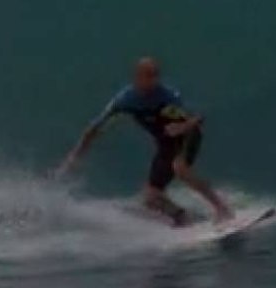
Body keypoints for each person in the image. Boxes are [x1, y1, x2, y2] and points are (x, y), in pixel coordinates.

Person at [56, 57, 234, 225]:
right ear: (137, 77)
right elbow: (94, 129)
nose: (153, 81)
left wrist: (182, 127)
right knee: (151, 197)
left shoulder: (167, 96)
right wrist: (74, 157)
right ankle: (182, 218)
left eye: (156, 76)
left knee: (180, 168)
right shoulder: (126, 100)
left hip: (188, 135)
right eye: (149, 76)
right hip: (166, 144)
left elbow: (198, 118)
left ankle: (222, 209)